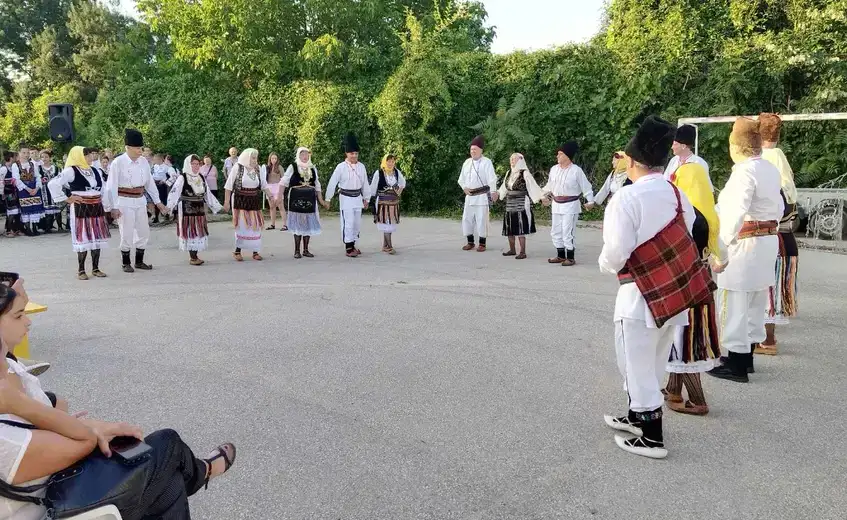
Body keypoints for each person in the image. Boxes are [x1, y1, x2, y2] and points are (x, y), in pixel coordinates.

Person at [0, 281, 237, 520]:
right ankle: (201, 472)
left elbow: (56, 409)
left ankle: (199, 472)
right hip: (57, 506)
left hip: (57, 485)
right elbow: (85, 439)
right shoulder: (6, 436)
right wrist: (19, 403)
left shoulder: (9, 379)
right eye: (19, 315)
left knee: (168, 482)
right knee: (167, 445)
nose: (28, 321)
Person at [599, 115, 700, 459]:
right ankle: (636, 415)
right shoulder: (676, 193)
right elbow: (691, 229)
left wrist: (605, 265)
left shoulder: (627, 198)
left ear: (631, 161)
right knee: (655, 360)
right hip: (673, 295)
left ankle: (652, 436)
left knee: (634, 363)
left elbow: (616, 252)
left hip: (638, 295)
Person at [707, 118, 784, 383]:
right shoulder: (769, 169)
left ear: (736, 146)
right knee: (754, 302)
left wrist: (720, 252)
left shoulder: (743, 172)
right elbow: (780, 207)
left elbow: (733, 214)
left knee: (735, 303)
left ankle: (737, 364)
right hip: (767, 241)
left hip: (745, 244)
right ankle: (746, 358)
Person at [664, 146, 726, 415]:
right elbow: (720, 254)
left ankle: (698, 400)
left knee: (683, 338)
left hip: (683, 281)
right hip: (702, 280)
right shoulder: (710, 217)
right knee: (690, 334)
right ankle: (674, 390)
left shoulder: (684, 217)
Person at [756, 113, 799, 356]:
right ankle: (764, 337)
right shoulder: (781, 161)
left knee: (766, 290)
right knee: (769, 290)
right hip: (786, 236)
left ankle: (767, 339)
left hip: (772, 237)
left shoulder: (763, 164)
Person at [106, 129, 169, 273]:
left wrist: (158, 201)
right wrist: (113, 207)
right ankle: (126, 262)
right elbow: (111, 186)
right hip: (124, 201)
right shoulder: (118, 162)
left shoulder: (143, 162)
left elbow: (149, 183)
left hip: (140, 201)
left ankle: (139, 261)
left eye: (141, 148)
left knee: (143, 231)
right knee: (126, 232)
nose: (140, 151)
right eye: (137, 148)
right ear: (128, 147)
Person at [48, 146, 112, 280]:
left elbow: (103, 189)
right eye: (87, 155)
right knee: (83, 237)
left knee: (96, 237)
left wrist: (107, 207)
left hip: (96, 207)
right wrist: (67, 198)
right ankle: (81, 270)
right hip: (81, 207)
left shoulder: (95, 170)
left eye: (90, 154)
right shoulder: (71, 170)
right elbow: (53, 184)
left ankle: (95, 268)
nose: (90, 157)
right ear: (79, 156)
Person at [541, 141, 595, 266]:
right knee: (556, 231)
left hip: (570, 205)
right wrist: (542, 196)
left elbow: (586, 187)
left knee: (567, 231)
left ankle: (570, 257)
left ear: (567, 156)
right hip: (556, 204)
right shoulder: (554, 169)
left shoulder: (576, 171)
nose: (557, 156)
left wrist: (590, 201)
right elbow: (549, 185)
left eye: (560, 154)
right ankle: (560, 255)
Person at [167, 155, 223, 265]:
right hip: (187, 209)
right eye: (193, 164)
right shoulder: (182, 177)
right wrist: (169, 207)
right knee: (190, 231)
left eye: (198, 164)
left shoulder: (201, 177)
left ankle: (195, 256)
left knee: (198, 231)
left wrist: (217, 206)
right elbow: (174, 192)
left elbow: (207, 193)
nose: (196, 166)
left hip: (199, 208)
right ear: (188, 164)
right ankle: (193, 257)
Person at [325, 133, 371, 257]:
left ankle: (354, 244)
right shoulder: (341, 167)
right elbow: (332, 182)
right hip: (346, 198)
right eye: (352, 153)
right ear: (346, 154)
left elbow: (365, 183)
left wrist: (366, 198)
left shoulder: (361, 167)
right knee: (348, 222)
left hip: (358, 198)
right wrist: (328, 198)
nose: (354, 156)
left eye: (356, 153)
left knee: (356, 223)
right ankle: (349, 247)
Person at [223, 148, 272, 261]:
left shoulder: (258, 169)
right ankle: (237, 251)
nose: (255, 160)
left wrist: (271, 196)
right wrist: (226, 202)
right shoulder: (238, 167)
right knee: (242, 226)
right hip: (240, 200)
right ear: (247, 158)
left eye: (256, 158)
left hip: (254, 200)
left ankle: (255, 251)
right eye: (253, 158)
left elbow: (264, 185)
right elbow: (228, 186)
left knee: (255, 226)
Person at [282, 147, 328, 258]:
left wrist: (321, 200)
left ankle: (306, 250)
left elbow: (317, 185)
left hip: (310, 198)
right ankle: (297, 250)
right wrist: (279, 196)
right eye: (302, 154)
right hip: (296, 198)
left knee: (308, 223)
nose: (305, 156)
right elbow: (284, 181)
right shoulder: (293, 166)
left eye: (307, 154)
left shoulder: (312, 168)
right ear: (298, 155)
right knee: (298, 223)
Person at [496, 153, 543, 259]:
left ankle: (522, 252)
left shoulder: (525, 173)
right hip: (510, 202)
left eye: (514, 159)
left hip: (521, 202)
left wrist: (541, 197)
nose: (511, 160)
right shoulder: (508, 173)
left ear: (520, 160)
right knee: (509, 226)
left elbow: (533, 186)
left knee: (521, 226)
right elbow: (504, 187)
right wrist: (498, 194)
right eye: (511, 158)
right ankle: (512, 250)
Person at [457, 135, 498, 252]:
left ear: (481, 150)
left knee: (481, 220)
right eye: (471, 149)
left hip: (481, 196)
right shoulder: (467, 162)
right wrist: (464, 188)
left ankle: (482, 243)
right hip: (469, 196)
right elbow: (461, 179)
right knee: (467, 219)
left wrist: (493, 192)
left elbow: (492, 179)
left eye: (475, 149)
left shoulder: (487, 162)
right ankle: (470, 242)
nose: (473, 151)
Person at [369, 154, 407, 254]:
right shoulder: (379, 173)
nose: (391, 163)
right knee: (386, 223)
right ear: (384, 162)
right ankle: (389, 247)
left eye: (392, 161)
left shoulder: (397, 172)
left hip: (393, 203)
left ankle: (385, 246)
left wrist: (398, 192)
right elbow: (372, 189)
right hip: (382, 202)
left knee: (390, 224)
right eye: (388, 161)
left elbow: (403, 183)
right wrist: (368, 200)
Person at [664, 124, 714, 191]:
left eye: (674, 144)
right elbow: (665, 181)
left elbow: (707, 188)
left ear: (683, 146)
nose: (672, 147)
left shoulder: (699, 163)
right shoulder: (674, 160)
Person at [12, 144, 45, 237]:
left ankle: (34, 228)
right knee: (26, 208)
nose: (26, 155)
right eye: (24, 153)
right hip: (24, 190)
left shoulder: (32, 164)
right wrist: (28, 189)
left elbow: (38, 177)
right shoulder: (16, 165)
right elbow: (17, 179)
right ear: (19, 153)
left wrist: (37, 188)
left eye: (27, 153)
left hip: (34, 189)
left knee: (35, 207)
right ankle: (28, 229)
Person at [37, 150, 61, 233]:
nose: (44, 159)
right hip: (44, 191)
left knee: (57, 209)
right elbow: (37, 179)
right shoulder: (38, 168)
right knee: (47, 209)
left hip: (55, 191)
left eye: (46, 157)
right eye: (42, 157)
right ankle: (47, 227)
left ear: (50, 158)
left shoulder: (56, 168)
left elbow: (60, 178)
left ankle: (60, 227)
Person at [2, 152, 23, 237]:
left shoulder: (13, 168)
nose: (16, 159)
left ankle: (16, 229)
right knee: (11, 211)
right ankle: (8, 230)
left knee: (18, 211)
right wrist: (2, 193)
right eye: (15, 157)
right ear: (11, 158)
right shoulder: (3, 169)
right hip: (8, 193)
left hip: (15, 192)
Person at [264, 152, 286, 231]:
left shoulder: (280, 167)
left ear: (277, 159)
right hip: (269, 188)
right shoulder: (267, 168)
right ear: (270, 159)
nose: (274, 160)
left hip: (278, 187)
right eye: (272, 158)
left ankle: (285, 225)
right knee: (272, 207)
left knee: (280, 206)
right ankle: (272, 224)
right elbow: (264, 179)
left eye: (275, 158)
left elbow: (284, 179)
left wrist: (281, 190)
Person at [151, 153, 175, 224]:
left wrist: (164, 181)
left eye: (156, 159)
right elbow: (153, 174)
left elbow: (170, 176)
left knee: (164, 200)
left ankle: (167, 215)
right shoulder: (154, 166)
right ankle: (156, 217)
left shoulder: (166, 167)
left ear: (160, 159)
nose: (155, 161)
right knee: (156, 200)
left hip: (163, 185)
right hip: (155, 184)